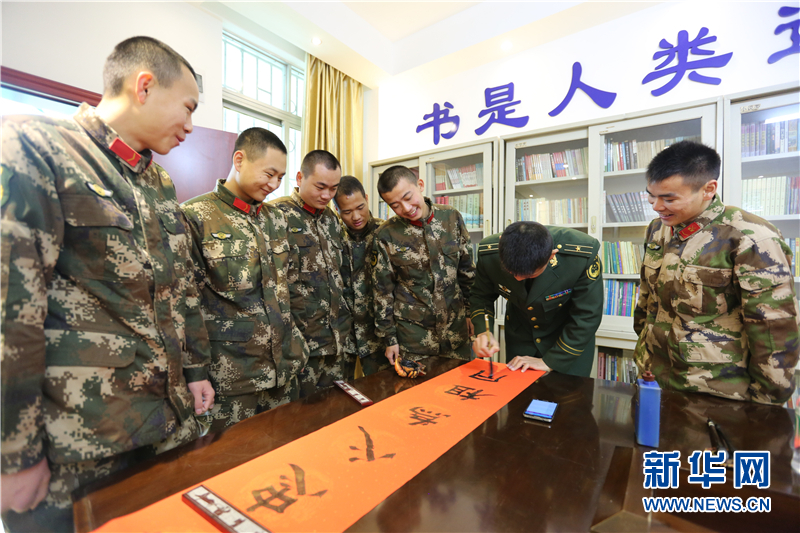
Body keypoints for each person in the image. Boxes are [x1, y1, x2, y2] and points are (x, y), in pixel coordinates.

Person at [0, 36, 214, 530]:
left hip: (163, 425)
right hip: (78, 444)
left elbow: (179, 291)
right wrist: (14, 452)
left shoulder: (158, 183)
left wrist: (197, 370)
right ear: (144, 86)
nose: (190, 125)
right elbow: (12, 311)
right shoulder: (37, 147)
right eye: (187, 107)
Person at [635, 140, 799, 404]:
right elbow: (647, 297)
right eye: (652, 196)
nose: (656, 206)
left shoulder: (750, 237)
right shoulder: (658, 229)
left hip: (716, 389)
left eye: (669, 198)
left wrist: (767, 400)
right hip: (654, 375)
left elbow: (773, 326)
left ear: (708, 189)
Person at [181, 128, 308, 433]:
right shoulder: (195, 216)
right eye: (269, 174)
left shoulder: (276, 218)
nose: (274, 184)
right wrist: (195, 371)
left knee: (287, 451)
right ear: (239, 160)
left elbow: (289, 286)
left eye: (281, 177)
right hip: (232, 378)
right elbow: (186, 303)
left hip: (285, 371)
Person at [269, 151, 354, 396]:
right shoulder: (276, 215)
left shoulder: (331, 219)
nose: (327, 195)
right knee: (300, 414)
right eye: (320, 187)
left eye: (333, 188)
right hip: (300, 344)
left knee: (336, 409)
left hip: (335, 341)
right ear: (299, 178)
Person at [471, 222, 603, 376]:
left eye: (530, 274)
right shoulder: (489, 253)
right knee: (518, 390)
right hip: (521, 336)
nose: (518, 279)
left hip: (568, 340)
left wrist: (549, 362)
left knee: (567, 391)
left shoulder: (581, 256)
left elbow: (587, 315)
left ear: (551, 256)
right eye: (511, 272)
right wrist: (483, 332)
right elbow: (481, 296)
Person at [373, 165, 475, 364]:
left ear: (420, 185)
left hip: (456, 333)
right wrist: (389, 338)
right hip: (414, 340)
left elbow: (467, 271)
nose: (406, 208)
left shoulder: (451, 217)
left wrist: (472, 313)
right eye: (395, 205)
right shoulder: (386, 235)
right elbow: (382, 292)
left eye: (408, 197)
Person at [334, 176, 386, 376]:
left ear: (366, 198)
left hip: (378, 334)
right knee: (340, 391)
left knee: (382, 390)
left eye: (360, 207)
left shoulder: (385, 232)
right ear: (337, 209)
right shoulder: (332, 236)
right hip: (342, 335)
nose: (356, 216)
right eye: (347, 212)